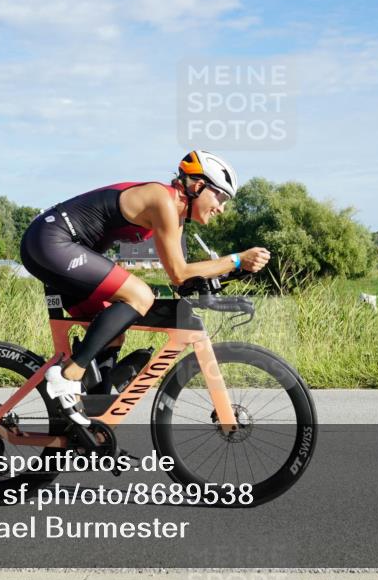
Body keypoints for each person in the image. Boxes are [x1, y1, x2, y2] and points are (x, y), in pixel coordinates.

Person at [20, 150, 270, 427]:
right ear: (198, 187)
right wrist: (236, 259)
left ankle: (95, 425)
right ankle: (69, 375)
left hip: (64, 250)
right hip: (51, 242)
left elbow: (180, 278)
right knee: (140, 295)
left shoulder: (174, 218)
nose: (221, 208)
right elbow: (179, 271)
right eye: (220, 197)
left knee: (113, 334)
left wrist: (227, 275)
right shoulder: (161, 199)